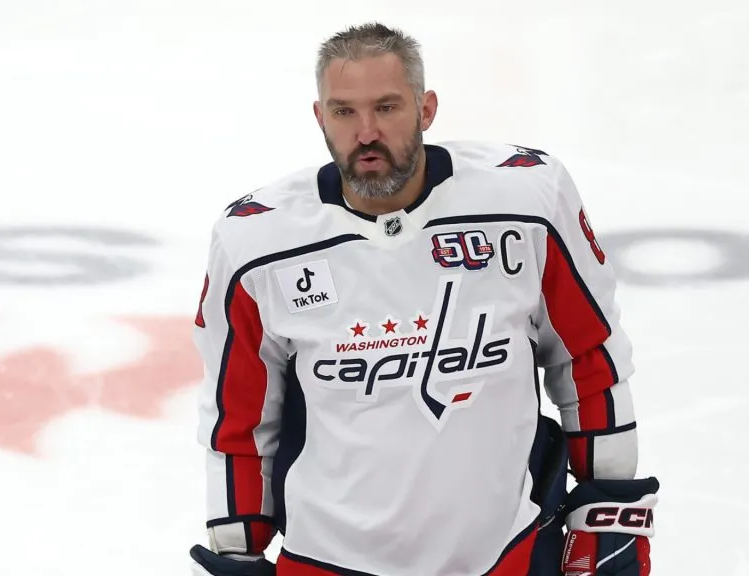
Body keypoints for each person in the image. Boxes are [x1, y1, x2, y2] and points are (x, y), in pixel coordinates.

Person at [188, 22, 659, 576]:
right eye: (344, 112)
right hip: (329, 561)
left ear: (426, 108)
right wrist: (235, 548)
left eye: (387, 108)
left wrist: (610, 508)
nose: (366, 133)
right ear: (320, 117)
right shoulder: (257, 244)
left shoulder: (527, 200)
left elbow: (588, 359)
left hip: (506, 553)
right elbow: (238, 420)